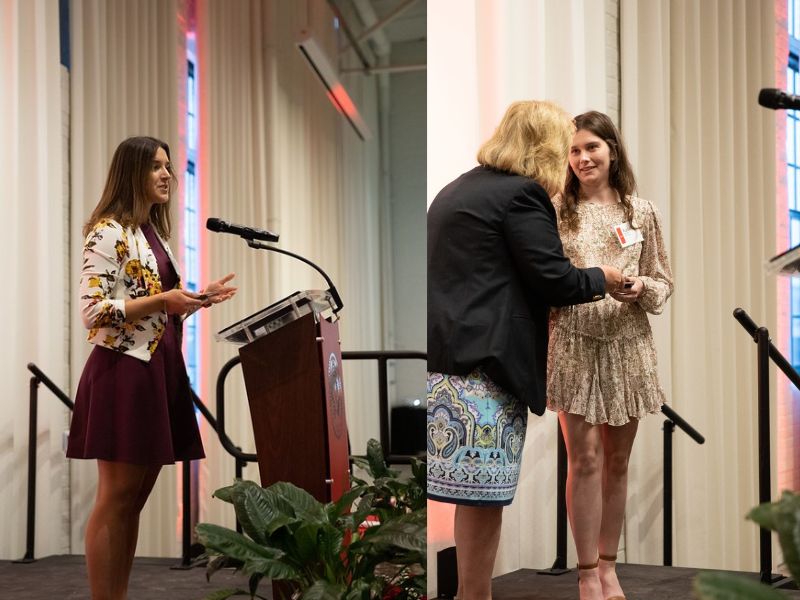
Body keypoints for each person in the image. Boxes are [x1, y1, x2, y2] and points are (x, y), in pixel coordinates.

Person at [427, 100, 625, 600]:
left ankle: (472, 595)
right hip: (486, 368)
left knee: (470, 498)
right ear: (545, 146)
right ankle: (476, 595)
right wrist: (605, 276)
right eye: (564, 147)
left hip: (447, 361)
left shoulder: (457, 190)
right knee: (484, 500)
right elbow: (554, 279)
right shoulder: (521, 196)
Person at [66, 136, 237, 600]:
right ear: (132, 174)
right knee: (117, 498)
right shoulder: (108, 231)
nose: (167, 175)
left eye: (168, 167)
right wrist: (165, 298)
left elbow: (156, 310)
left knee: (134, 501)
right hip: (124, 371)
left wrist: (195, 300)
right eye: (156, 167)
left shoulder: (152, 234)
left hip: (159, 368)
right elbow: (92, 311)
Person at [547, 111, 673, 600]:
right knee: (584, 459)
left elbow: (663, 285)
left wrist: (640, 286)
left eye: (591, 148)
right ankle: (583, 574)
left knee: (617, 461)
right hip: (573, 342)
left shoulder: (641, 213)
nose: (582, 158)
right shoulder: (556, 210)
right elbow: (545, 279)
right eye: (574, 150)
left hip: (628, 344)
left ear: (612, 151)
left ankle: (608, 566)